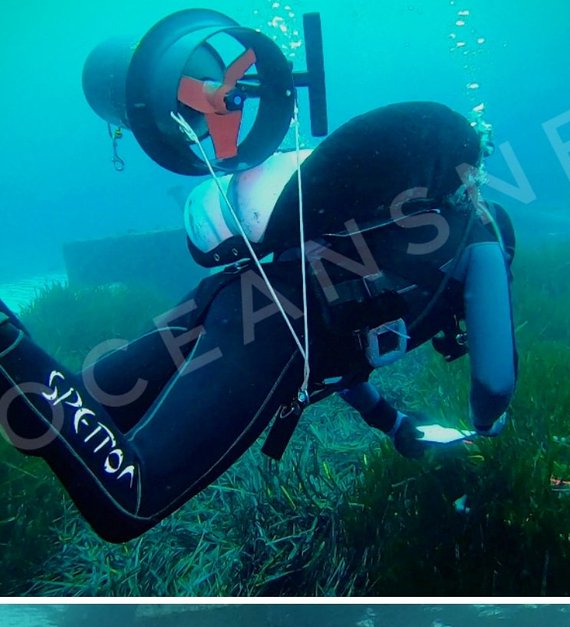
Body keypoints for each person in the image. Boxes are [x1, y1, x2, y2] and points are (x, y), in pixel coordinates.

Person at [0, 101, 517, 544]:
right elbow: (495, 381)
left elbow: (347, 350)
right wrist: (489, 428)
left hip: (233, 293)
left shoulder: (404, 227)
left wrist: (394, 423)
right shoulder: (484, 243)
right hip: (273, 332)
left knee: (54, 410)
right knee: (130, 501)